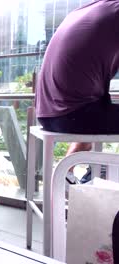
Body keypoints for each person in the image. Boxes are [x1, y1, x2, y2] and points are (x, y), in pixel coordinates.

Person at [35, 0, 119, 184]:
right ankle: (102, 180)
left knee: (99, 112)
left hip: (48, 111)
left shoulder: (90, 9)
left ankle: (66, 176)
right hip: (72, 115)